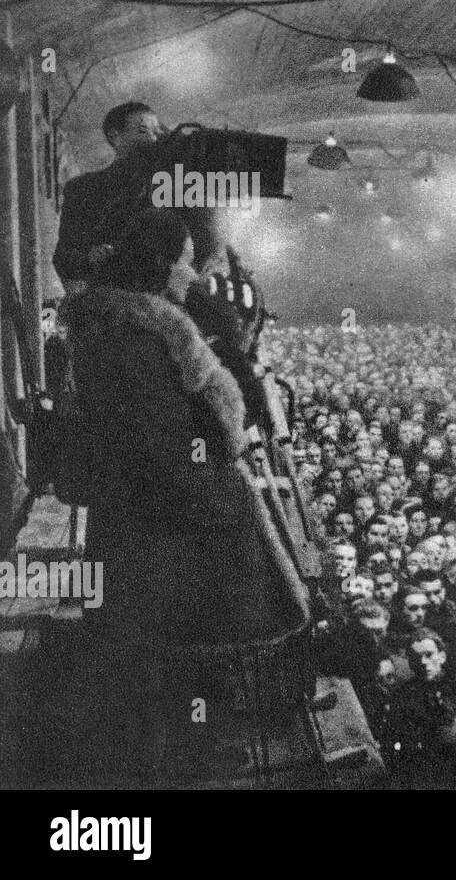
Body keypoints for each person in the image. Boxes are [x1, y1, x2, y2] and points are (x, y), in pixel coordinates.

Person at [62, 208, 304, 783]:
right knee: (176, 651)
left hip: (139, 516)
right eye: (184, 264)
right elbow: (164, 448)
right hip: (164, 525)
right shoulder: (135, 340)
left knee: (158, 656)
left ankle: (177, 753)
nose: (189, 277)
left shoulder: (121, 326)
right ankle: (181, 764)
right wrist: (225, 501)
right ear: (161, 265)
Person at [54, 101, 166, 291]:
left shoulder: (171, 188)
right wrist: (90, 258)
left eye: (157, 132)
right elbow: (64, 259)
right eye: (143, 131)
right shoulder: (82, 189)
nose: (154, 140)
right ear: (116, 137)